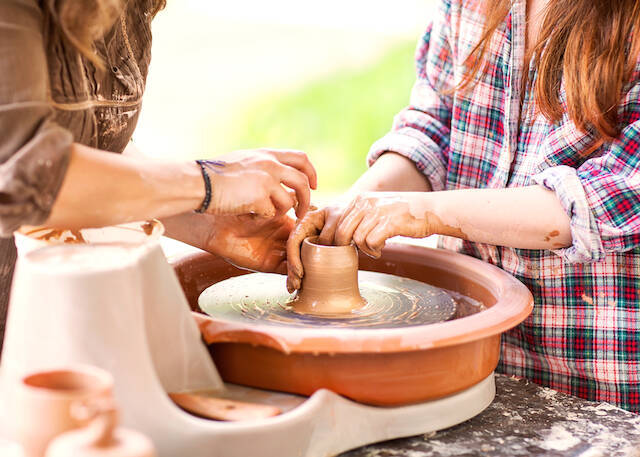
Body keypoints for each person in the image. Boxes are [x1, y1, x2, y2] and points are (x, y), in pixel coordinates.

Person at [288, 0, 640, 412]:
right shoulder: (469, 6)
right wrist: (355, 208)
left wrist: (418, 212)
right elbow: (433, 128)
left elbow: (605, 203)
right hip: (473, 356)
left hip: (600, 380)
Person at [0, 1, 316, 346]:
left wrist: (197, 217)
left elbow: (92, 146)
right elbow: (21, 174)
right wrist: (208, 182)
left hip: (42, 305)